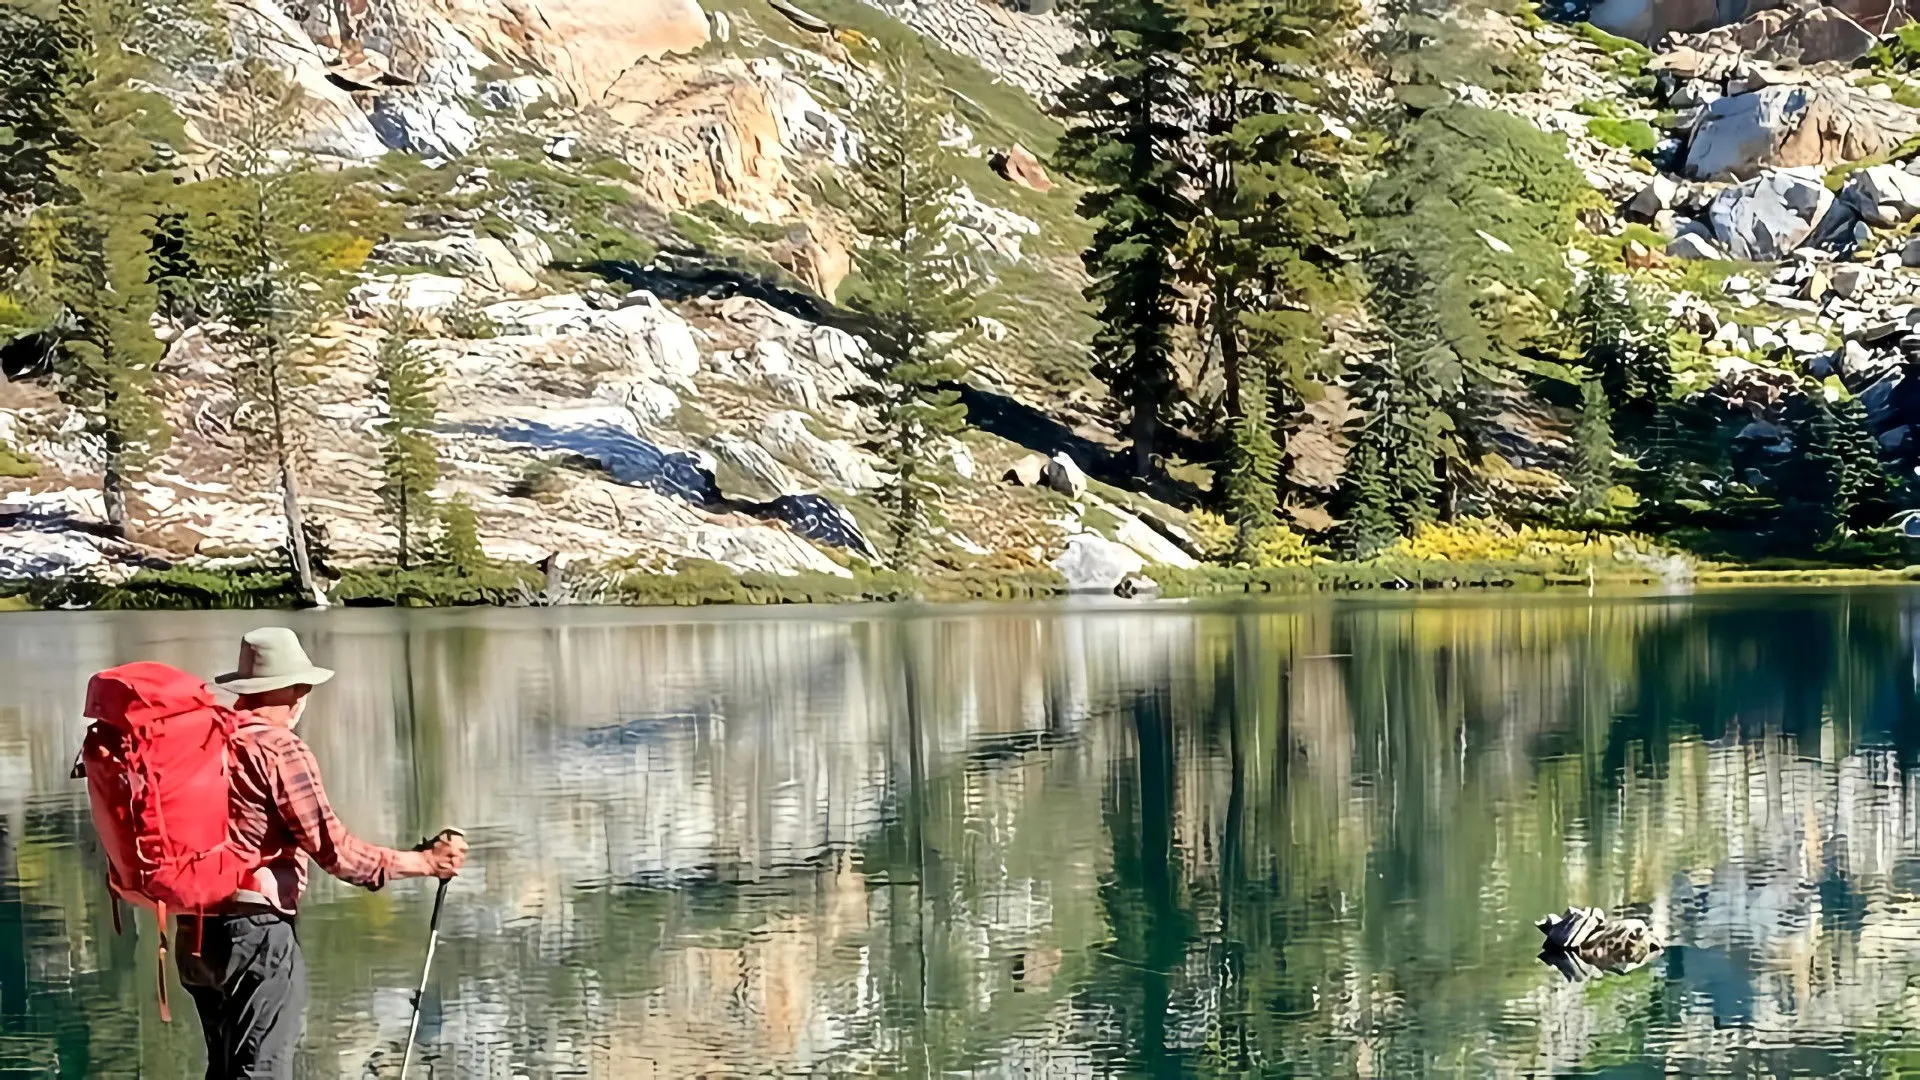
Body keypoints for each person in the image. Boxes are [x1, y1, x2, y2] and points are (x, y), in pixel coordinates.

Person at [179, 626, 467, 1080]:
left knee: (223, 1068)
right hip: (256, 934)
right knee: (263, 1070)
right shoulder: (278, 748)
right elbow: (336, 852)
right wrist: (424, 863)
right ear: (295, 692)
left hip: (195, 933)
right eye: (304, 688)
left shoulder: (204, 740)